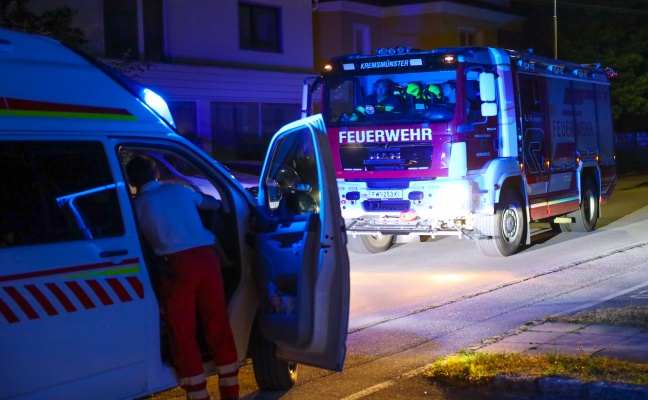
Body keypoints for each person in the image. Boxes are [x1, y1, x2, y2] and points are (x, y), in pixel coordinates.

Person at [126, 155, 239, 400]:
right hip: (207, 261)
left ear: (131, 181)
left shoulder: (135, 208)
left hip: (175, 268)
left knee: (183, 332)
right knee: (217, 322)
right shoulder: (179, 190)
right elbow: (213, 205)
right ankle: (230, 391)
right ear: (156, 173)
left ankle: (198, 395)